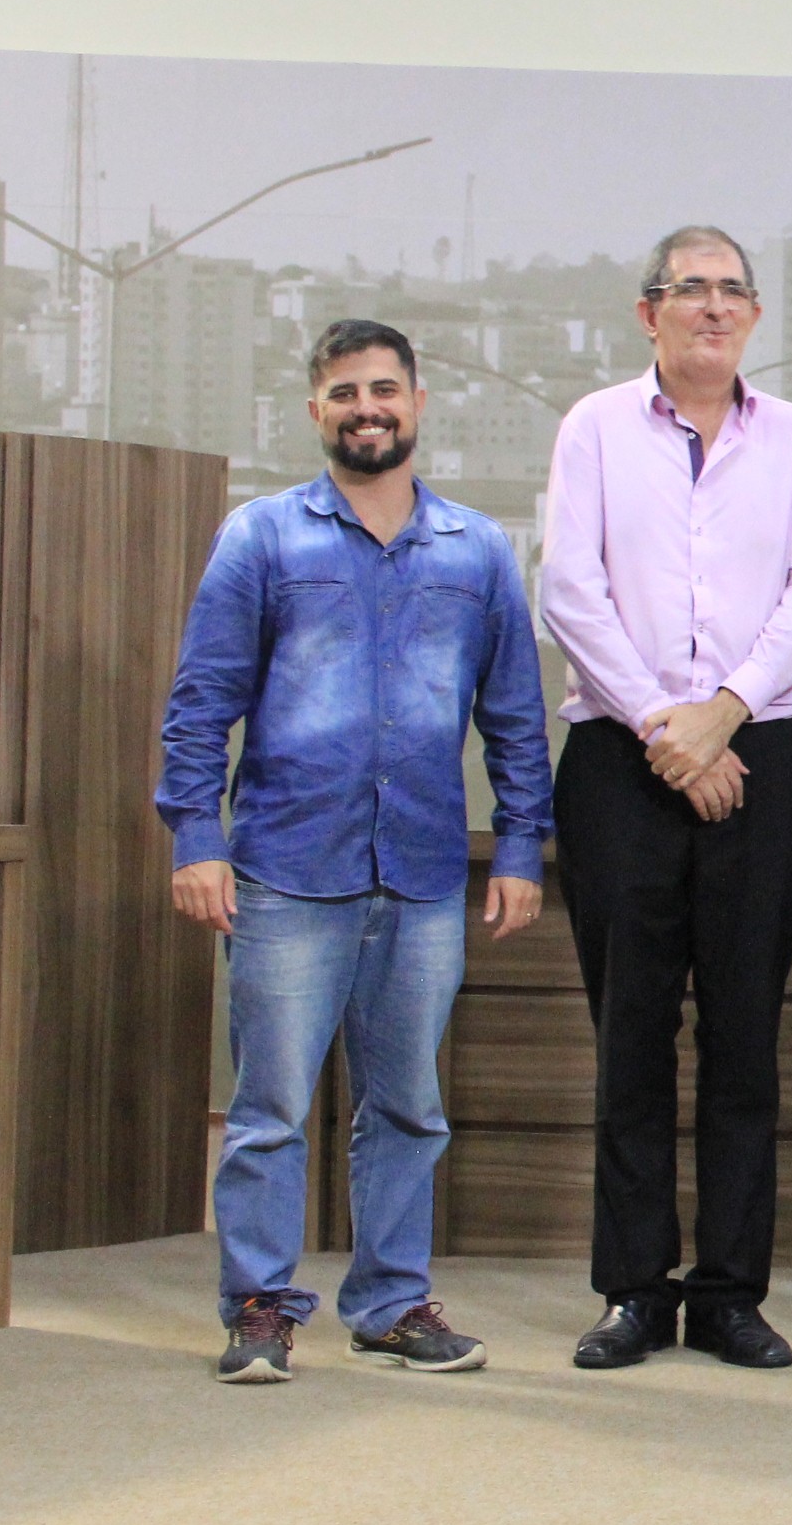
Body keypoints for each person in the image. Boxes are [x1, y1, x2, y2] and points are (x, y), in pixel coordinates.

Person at [159, 318, 550, 1384]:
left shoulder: (476, 553)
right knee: (271, 1109)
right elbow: (201, 707)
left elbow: (516, 717)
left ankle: (388, 1303)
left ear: (417, 405)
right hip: (287, 868)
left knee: (408, 1107)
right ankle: (258, 1308)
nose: (367, 407)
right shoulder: (264, 538)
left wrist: (520, 848)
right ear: (316, 412)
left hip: (422, 875)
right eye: (344, 392)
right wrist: (196, 835)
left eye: (385, 389)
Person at [539, 226, 792, 1372]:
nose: (711, 309)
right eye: (689, 291)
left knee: (744, 1037)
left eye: (731, 292)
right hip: (625, 761)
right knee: (630, 1032)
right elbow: (570, 587)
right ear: (649, 312)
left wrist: (724, 707)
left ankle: (728, 1292)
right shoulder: (598, 428)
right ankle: (631, 1286)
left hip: (757, 754)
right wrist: (670, 729)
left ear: (753, 317)